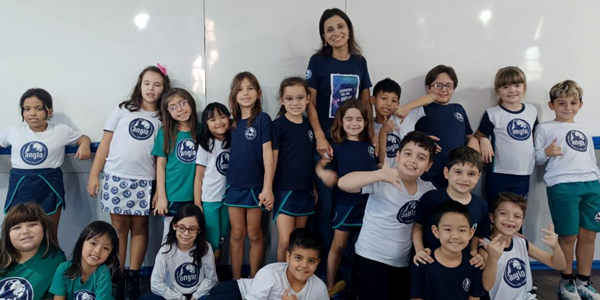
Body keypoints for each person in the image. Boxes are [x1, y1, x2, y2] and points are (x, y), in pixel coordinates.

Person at [87, 65, 170, 299]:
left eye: (157, 84)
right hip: (116, 177)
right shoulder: (123, 109)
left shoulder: (164, 115)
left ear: (164, 88)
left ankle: (133, 276)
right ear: (139, 85)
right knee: (119, 229)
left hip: (146, 180)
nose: (151, 88)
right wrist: (94, 174)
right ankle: (118, 275)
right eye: (147, 83)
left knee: (140, 227)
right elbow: (105, 143)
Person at [338, 131, 437, 300]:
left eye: (421, 157)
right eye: (407, 153)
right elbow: (343, 183)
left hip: (401, 263)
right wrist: (379, 175)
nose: (413, 160)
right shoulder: (383, 180)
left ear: (428, 166)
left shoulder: (427, 189)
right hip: (370, 258)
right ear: (397, 156)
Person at [534, 80, 600, 299]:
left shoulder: (583, 129)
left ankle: (584, 281)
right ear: (552, 105)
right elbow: (536, 158)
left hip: (590, 184)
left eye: (573, 103)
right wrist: (547, 151)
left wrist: (596, 181)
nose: (567, 107)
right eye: (561, 103)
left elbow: (589, 158)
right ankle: (566, 281)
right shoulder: (544, 127)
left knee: (589, 233)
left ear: (580, 105)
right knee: (568, 235)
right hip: (562, 185)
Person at [0, 88, 92, 236]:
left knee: (49, 233)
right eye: (27, 109)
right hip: (20, 185)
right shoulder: (13, 131)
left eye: (38, 108)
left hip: (49, 186)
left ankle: (51, 258)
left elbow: (83, 138)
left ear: (49, 111)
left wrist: (85, 145)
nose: (32, 113)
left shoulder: (61, 130)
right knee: (16, 234)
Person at [315, 99, 377, 295]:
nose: (354, 123)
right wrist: (324, 174)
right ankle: (330, 285)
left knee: (363, 246)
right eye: (349, 119)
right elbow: (320, 166)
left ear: (366, 122)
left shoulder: (369, 145)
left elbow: (377, 166)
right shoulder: (336, 146)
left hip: (369, 204)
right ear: (341, 121)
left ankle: (359, 285)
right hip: (345, 204)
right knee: (339, 244)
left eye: (359, 119)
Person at [225, 71, 274, 279]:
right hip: (234, 185)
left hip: (256, 187)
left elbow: (268, 157)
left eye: (250, 88)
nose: (245, 93)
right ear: (234, 95)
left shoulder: (263, 119)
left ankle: (254, 279)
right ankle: (236, 280)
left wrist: (267, 187)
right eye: (240, 89)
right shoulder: (230, 121)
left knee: (254, 233)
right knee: (237, 234)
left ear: (259, 93)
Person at [479, 192, 566, 299]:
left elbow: (559, 265)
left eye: (517, 216)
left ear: (522, 222)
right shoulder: (485, 246)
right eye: (503, 213)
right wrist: (492, 259)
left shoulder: (521, 242)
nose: (510, 219)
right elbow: (487, 286)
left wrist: (556, 248)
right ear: (492, 217)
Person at [208, 228, 328, 300]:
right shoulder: (269, 274)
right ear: (288, 257)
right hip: (236, 292)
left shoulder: (319, 289)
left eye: (311, 261)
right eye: (298, 258)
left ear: (317, 263)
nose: (304, 265)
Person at [475, 66, 538, 203]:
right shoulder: (492, 114)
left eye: (517, 85)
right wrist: (484, 140)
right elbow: (478, 135)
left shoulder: (532, 111)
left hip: (523, 174)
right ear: (498, 91)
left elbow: (536, 137)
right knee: (495, 215)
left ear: (524, 87)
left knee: (516, 217)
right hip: (498, 175)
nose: (512, 90)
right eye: (505, 87)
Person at [272, 77, 315, 262]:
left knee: (299, 243)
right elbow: (271, 160)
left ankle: (294, 280)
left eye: (299, 98)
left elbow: (308, 160)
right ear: (282, 100)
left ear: (307, 99)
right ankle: (280, 282)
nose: (295, 103)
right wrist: (267, 189)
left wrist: (312, 186)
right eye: (289, 99)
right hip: (284, 190)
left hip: (305, 190)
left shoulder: (309, 126)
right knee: (285, 242)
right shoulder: (278, 125)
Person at [415, 65, 480, 188]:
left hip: (457, 174)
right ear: (428, 88)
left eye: (448, 85)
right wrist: (425, 140)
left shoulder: (458, 109)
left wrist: (475, 140)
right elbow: (409, 137)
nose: (443, 89)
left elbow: (468, 135)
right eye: (438, 85)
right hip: (430, 173)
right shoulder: (420, 110)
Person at [410, 201, 486, 300]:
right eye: (448, 229)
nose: (455, 236)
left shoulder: (474, 264)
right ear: (436, 231)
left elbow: (474, 298)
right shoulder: (422, 264)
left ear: (471, 233)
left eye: (462, 230)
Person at [152, 88, 201, 239]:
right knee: (170, 238)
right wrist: (161, 196)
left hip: (197, 196)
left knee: (193, 237)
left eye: (182, 103)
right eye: (173, 107)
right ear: (168, 112)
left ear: (190, 102)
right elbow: (160, 164)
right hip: (173, 195)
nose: (179, 109)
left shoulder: (201, 130)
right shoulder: (166, 132)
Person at [141, 205, 217, 300]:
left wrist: (195, 297)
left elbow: (211, 278)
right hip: (173, 295)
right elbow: (156, 283)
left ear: (199, 230)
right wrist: (180, 298)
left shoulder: (206, 247)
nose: (186, 233)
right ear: (174, 226)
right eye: (182, 228)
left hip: (197, 295)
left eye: (192, 229)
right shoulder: (165, 250)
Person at [0, 203, 66, 300]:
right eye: (17, 227)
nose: (25, 231)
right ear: (7, 234)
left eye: (32, 224)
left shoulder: (55, 259)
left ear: (44, 228)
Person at [195, 102, 231, 267]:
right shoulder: (205, 146)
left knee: (222, 237)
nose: (219, 122)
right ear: (206, 124)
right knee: (211, 239)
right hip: (210, 199)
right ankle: (207, 274)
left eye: (222, 117)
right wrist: (197, 203)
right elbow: (199, 176)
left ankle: (214, 274)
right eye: (212, 119)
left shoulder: (233, 142)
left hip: (229, 199)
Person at [50, 221, 120, 300]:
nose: (97, 251)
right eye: (93, 243)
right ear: (82, 242)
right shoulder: (63, 269)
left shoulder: (103, 273)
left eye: (106, 248)